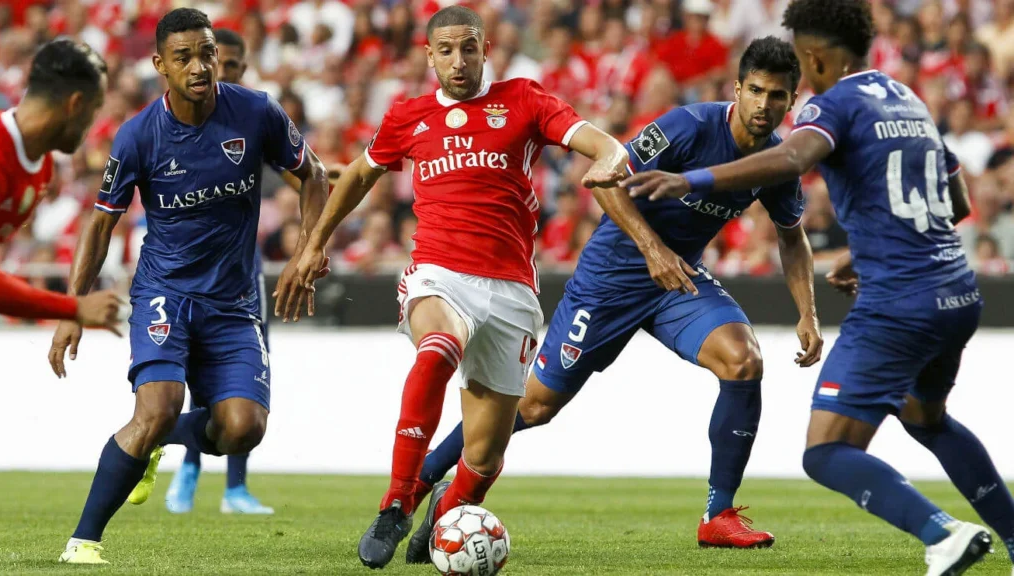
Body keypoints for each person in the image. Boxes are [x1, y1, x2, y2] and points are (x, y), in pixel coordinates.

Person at [620, 1, 1014, 574]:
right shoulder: (908, 99)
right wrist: (867, 248)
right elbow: (952, 203)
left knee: (827, 451)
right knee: (929, 420)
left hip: (899, 302)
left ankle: (943, 533)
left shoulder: (832, 106)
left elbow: (789, 158)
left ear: (816, 54)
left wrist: (690, 178)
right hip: (957, 292)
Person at [413, 37, 819, 554]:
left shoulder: (778, 160)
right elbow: (602, 176)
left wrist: (807, 313)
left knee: (744, 361)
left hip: (676, 283)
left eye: (777, 96)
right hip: (612, 278)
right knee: (535, 407)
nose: (764, 105)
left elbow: (791, 236)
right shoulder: (689, 126)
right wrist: (652, 249)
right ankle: (423, 481)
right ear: (737, 89)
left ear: (792, 100)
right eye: (756, 91)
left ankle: (718, 515)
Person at [290, 5, 628, 569]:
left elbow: (603, 142)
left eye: (468, 48)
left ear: (485, 49)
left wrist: (612, 159)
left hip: (513, 291)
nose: (458, 60)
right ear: (429, 56)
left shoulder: (525, 100)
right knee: (438, 346)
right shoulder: (409, 116)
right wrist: (314, 242)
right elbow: (355, 175)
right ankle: (396, 500)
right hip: (439, 273)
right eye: (445, 50)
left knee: (486, 454)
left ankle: (448, 513)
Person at [51, 8, 329, 564]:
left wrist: (306, 252)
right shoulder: (137, 137)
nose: (201, 66)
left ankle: (164, 440)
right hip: (165, 293)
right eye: (185, 57)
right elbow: (101, 224)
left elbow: (315, 176)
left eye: (206, 53)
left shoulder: (256, 113)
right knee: (156, 406)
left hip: (233, 302)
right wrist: (71, 309)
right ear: (160, 65)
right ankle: (82, 541)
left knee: (243, 429)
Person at [163, 27, 275, 517]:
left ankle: (235, 485)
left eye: (229, 66)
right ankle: (186, 467)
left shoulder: (250, 114)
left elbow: (302, 167)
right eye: (215, 62)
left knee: (244, 375)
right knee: (191, 373)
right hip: (187, 274)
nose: (217, 73)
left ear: (240, 70)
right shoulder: (174, 122)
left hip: (243, 273)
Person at [0, 39, 120, 331]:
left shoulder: (42, 169)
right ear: (75, 104)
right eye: (95, 109)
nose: (94, 122)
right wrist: (74, 307)